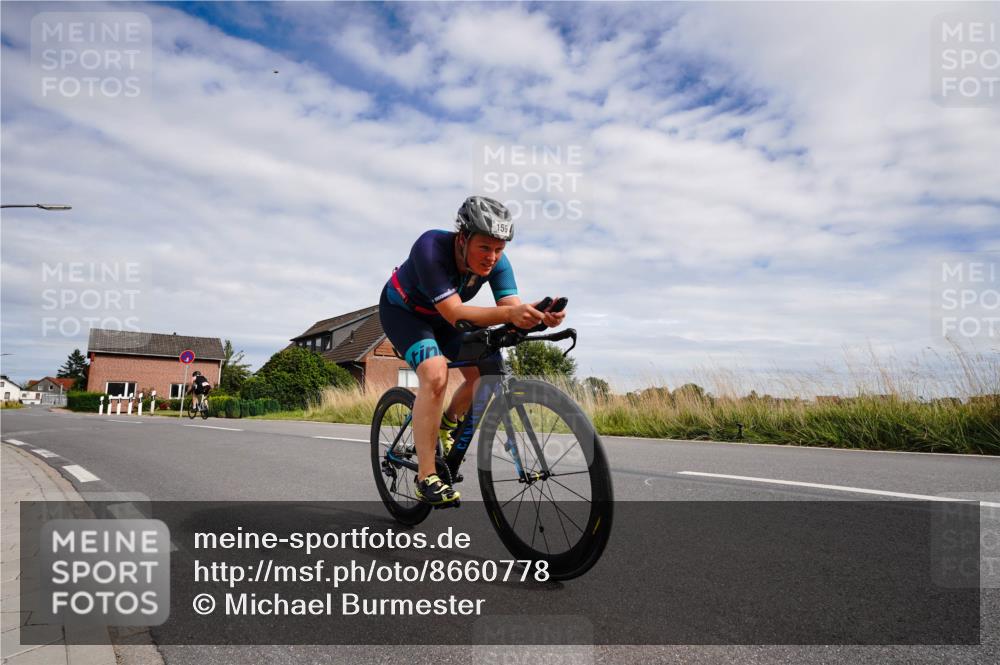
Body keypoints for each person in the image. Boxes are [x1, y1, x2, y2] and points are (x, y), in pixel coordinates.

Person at [379, 196, 566, 505]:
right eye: (485, 247)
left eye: (499, 249)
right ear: (463, 237)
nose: (492, 257)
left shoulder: (498, 263)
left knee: (486, 368)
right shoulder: (431, 248)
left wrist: (540, 318)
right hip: (405, 314)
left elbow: (510, 310)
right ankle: (426, 477)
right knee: (435, 372)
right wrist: (510, 316)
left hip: (444, 319)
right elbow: (456, 313)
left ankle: (448, 422)